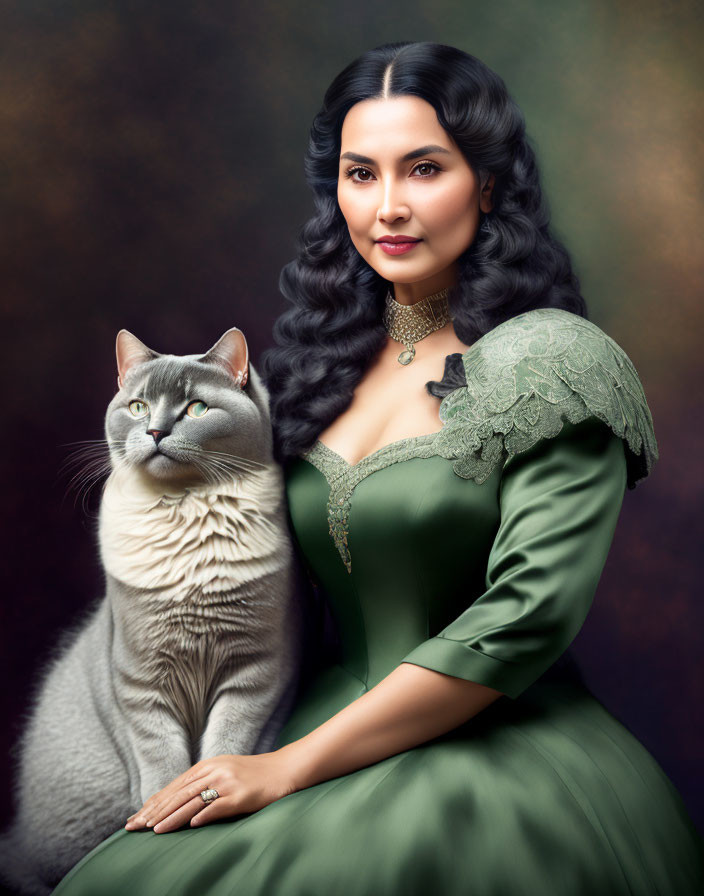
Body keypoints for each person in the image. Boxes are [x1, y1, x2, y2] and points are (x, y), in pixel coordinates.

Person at [54, 41, 703, 895]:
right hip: (304, 720)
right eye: (362, 175)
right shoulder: (318, 367)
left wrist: (287, 768)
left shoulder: (555, 363)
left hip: (492, 753)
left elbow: (527, 618)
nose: (389, 207)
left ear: (491, 183)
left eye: (424, 168)